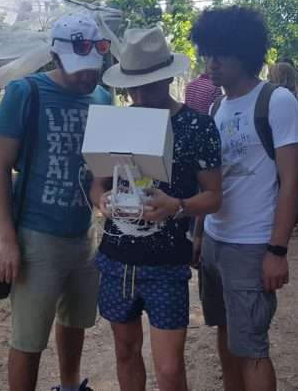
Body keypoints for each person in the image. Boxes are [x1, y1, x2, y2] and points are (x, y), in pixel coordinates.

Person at [90, 27, 223, 391]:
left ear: (166, 77)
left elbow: (214, 196)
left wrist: (177, 206)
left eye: (148, 86)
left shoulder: (197, 126)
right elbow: (97, 183)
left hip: (167, 264)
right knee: (125, 352)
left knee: (169, 368)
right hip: (117, 260)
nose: (139, 96)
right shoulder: (117, 122)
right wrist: (101, 200)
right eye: (132, 88)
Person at [0, 14, 111, 391]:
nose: (88, 75)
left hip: (83, 234)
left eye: (93, 66)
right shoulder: (25, 92)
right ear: (56, 57)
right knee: (29, 338)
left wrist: (108, 197)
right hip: (35, 236)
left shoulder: (103, 98)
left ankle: (70, 386)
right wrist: (7, 239)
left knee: (75, 320)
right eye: (79, 67)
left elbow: (100, 170)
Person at [189, 6, 298, 391]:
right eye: (208, 53)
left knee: (252, 347)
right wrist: (199, 234)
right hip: (215, 242)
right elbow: (211, 181)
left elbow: (292, 181)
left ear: (245, 53)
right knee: (225, 334)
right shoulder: (216, 107)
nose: (212, 63)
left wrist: (277, 250)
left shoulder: (277, 101)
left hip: (252, 246)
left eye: (221, 54)